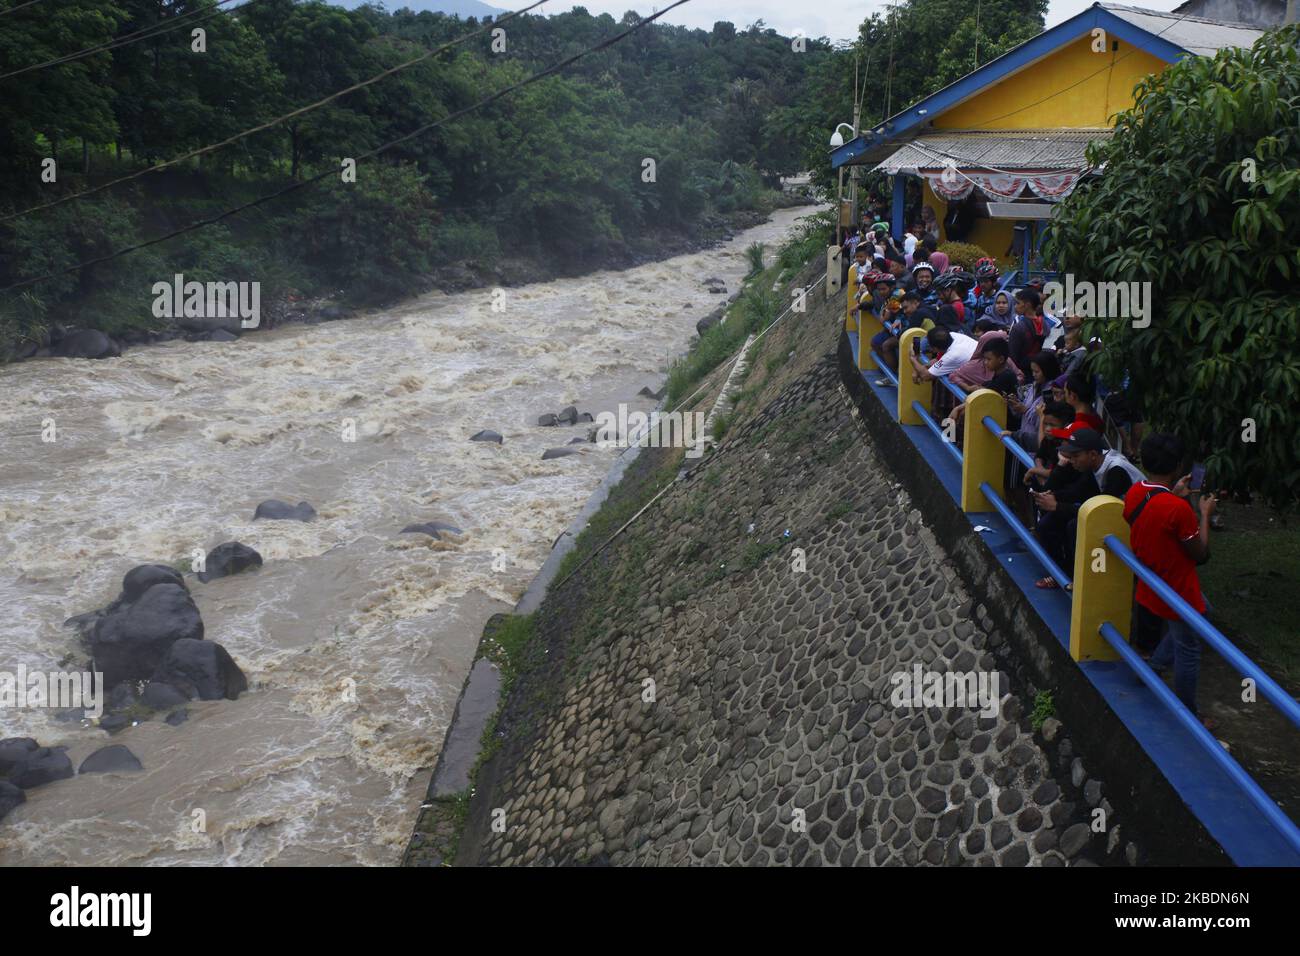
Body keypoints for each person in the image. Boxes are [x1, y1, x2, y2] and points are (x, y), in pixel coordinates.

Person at [1123, 433, 1217, 727]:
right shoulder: (1177, 509)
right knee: (1189, 648)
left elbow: (1152, 519)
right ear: (1177, 466)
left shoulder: (1137, 491)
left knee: (1205, 613)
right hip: (1179, 589)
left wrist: (1174, 495)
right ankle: (1189, 713)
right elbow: (1201, 554)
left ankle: (1153, 666)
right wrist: (1204, 514)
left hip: (1152, 581)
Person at [1031, 427, 1143, 589]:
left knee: (1074, 526)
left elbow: (1101, 512)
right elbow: (1079, 491)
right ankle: (1061, 573)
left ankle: (1087, 582)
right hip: (1114, 514)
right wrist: (1053, 495)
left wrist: (1057, 505)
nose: (1071, 460)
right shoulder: (1095, 464)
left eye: (1075, 456)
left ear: (1092, 454)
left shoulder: (1116, 471)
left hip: (1134, 524)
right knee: (1048, 524)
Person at [1010, 288, 1050, 377]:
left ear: (1027, 305)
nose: (1015, 306)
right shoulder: (1045, 324)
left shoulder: (1018, 327)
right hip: (1040, 371)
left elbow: (1013, 357)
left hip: (1021, 372)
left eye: (1018, 303)